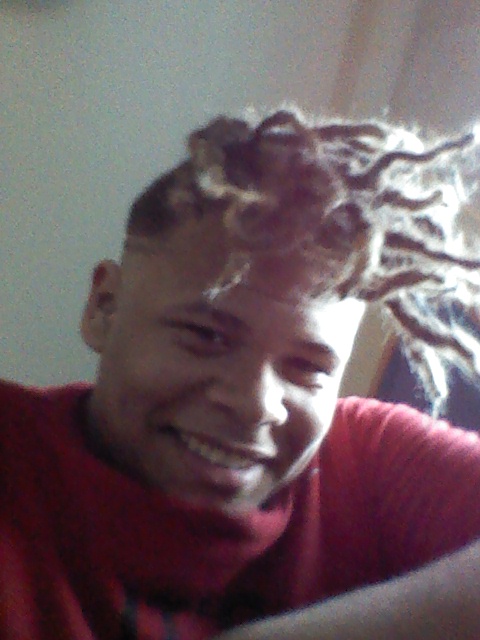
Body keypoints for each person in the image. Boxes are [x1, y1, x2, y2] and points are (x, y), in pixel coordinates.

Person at [2, 107, 480, 640]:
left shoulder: (368, 464)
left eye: (308, 367)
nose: (255, 404)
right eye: (207, 336)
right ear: (104, 307)